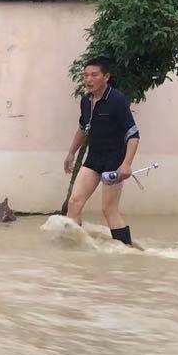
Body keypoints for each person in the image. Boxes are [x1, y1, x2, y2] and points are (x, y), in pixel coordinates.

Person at [63, 57, 140, 246]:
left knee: (109, 209)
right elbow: (83, 128)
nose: (89, 79)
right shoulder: (86, 101)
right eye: (86, 75)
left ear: (106, 77)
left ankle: (127, 251)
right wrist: (71, 153)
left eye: (94, 75)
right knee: (74, 202)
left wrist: (126, 164)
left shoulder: (117, 100)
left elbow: (133, 135)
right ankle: (73, 247)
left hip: (114, 161)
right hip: (93, 158)